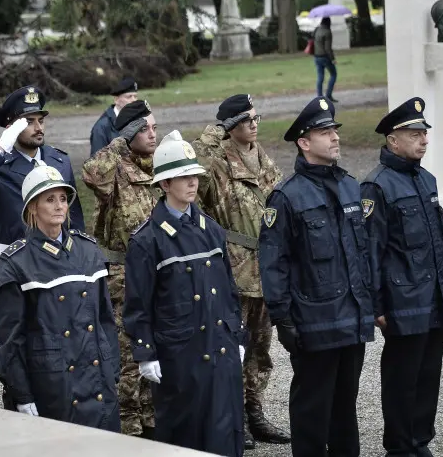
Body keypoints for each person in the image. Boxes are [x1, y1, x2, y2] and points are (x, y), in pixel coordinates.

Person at [258, 97, 374, 457]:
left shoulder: (351, 186)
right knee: (312, 408)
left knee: (345, 406)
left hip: (351, 319)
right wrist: (283, 319)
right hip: (315, 322)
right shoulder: (286, 197)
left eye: (334, 131)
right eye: (325, 133)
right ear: (304, 143)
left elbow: (361, 253)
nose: (335, 138)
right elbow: (273, 263)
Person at [123, 130, 247, 457]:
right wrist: (146, 352)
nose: (191, 182)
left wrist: (238, 336)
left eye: (193, 174)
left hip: (220, 349)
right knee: (187, 434)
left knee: (226, 431)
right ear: (164, 184)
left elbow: (228, 292)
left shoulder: (211, 230)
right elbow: (138, 306)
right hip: (181, 357)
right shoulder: (147, 241)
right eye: (182, 176)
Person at [0, 85, 85, 371]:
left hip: (57, 263)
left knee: (64, 339)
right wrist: (1, 149)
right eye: (29, 122)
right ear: (12, 127)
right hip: (16, 267)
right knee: (17, 345)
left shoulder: (58, 160)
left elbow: (74, 219)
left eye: (41, 120)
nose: (38, 128)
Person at [361, 97, 443, 457]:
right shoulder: (377, 186)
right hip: (402, 300)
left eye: (424, 133)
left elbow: (436, 242)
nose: (424, 140)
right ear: (393, 140)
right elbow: (370, 250)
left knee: (428, 375)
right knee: (402, 377)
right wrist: (376, 305)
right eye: (415, 133)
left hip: (433, 296)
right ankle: (400, 447)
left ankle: (420, 441)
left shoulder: (426, 179)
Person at [0, 161, 120, 432]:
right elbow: (8, 341)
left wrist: (111, 370)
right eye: (50, 199)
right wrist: (21, 394)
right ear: (32, 208)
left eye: (63, 198)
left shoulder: (88, 250)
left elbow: (106, 320)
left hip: (97, 382)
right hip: (52, 386)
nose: (60, 205)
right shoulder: (16, 262)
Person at [192, 93, 290, 449]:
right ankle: (233, 415)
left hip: (266, 269)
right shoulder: (216, 162)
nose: (254, 124)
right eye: (246, 120)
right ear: (230, 127)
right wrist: (210, 135)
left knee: (261, 349)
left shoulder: (263, 159)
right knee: (232, 348)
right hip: (233, 269)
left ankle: (254, 410)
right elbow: (193, 182)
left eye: (255, 117)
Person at [81, 99, 160, 438]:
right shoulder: (114, 168)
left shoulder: (159, 165)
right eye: (144, 128)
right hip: (124, 275)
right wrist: (118, 141)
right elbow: (90, 173)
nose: (152, 134)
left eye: (154, 127)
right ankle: (127, 424)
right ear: (129, 133)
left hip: (157, 271)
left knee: (155, 347)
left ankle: (151, 415)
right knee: (129, 352)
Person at [89, 77, 139, 157]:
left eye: (135, 96)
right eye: (129, 97)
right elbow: (97, 163)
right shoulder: (102, 127)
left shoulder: (139, 120)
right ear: (116, 100)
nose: (134, 100)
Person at [313, 17, 338, 103]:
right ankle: (328, 94)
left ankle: (320, 97)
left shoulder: (316, 30)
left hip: (316, 56)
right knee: (333, 74)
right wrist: (333, 59)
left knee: (320, 77)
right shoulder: (327, 32)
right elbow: (328, 48)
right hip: (325, 57)